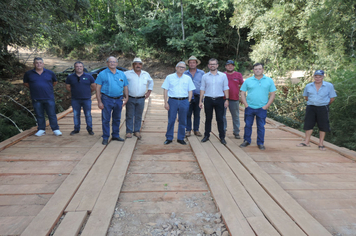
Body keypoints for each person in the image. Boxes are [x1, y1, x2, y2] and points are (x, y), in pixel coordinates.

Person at [296, 70, 337, 151]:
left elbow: (332, 98)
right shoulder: (308, 86)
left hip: (323, 108)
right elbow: (306, 97)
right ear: (314, 77)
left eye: (320, 77)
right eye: (316, 76)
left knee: (323, 125)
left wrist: (324, 104)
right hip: (311, 107)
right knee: (308, 124)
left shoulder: (329, 86)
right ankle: (306, 142)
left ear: (323, 77)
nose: (318, 78)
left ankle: (321, 144)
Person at [239, 63, 276, 150]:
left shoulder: (269, 80)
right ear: (253, 70)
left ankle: (260, 142)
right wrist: (246, 105)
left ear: (263, 70)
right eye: (256, 69)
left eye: (259, 69)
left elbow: (272, 94)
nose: (257, 70)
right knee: (248, 125)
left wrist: (266, 106)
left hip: (262, 108)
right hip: (250, 107)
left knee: (261, 126)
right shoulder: (248, 81)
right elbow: (242, 93)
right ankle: (246, 140)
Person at [23, 57, 62, 137]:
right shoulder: (28, 73)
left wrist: (46, 87)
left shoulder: (50, 73)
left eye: (40, 62)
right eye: (37, 63)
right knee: (39, 114)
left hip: (49, 97)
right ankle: (41, 129)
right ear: (34, 64)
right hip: (36, 98)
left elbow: (54, 82)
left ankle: (55, 129)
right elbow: (26, 83)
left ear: (43, 64)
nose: (38, 64)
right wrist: (35, 87)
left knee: (52, 114)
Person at [95, 56, 129, 145]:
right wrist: (99, 101)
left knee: (117, 118)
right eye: (110, 62)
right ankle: (105, 137)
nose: (112, 63)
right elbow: (98, 88)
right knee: (106, 119)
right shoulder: (102, 74)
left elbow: (125, 86)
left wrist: (126, 98)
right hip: (106, 99)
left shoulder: (121, 74)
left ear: (117, 63)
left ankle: (115, 135)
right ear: (107, 63)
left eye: (114, 62)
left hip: (119, 99)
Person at [162, 61, 195, 145]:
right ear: (176, 68)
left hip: (184, 101)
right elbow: (165, 90)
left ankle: (181, 138)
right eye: (179, 67)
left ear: (185, 69)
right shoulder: (169, 77)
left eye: (183, 67)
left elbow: (190, 90)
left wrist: (189, 101)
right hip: (172, 100)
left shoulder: (187, 78)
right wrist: (165, 102)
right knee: (171, 120)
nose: (181, 68)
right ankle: (169, 137)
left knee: (183, 120)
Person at [199, 58, 229, 145]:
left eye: (214, 64)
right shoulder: (205, 76)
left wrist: (227, 99)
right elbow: (202, 88)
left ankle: (222, 137)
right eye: (211, 64)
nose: (212, 65)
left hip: (220, 99)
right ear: (208, 66)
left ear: (217, 65)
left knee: (220, 119)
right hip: (208, 99)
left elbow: (226, 88)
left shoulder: (223, 76)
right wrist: (200, 101)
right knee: (208, 118)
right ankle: (206, 135)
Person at [124, 57, 154, 139]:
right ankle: (129, 132)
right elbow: (121, 83)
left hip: (141, 98)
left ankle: (137, 131)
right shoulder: (127, 73)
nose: (138, 65)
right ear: (133, 65)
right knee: (129, 115)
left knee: (139, 115)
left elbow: (151, 82)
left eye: (140, 64)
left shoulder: (146, 74)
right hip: (130, 97)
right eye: (136, 64)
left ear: (142, 66)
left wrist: (149, 91)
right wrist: (123, 94)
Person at [65, 61, 96, 135]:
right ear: (74, 68)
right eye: (77, 66)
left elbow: (94, 86)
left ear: (83, 67)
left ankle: (89, 129)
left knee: (88, 114)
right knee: (76, 114)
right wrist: (74, 92)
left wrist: (88, 92)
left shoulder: (89, 76)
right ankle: (76, 129)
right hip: (75, 99)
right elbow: (67, 87)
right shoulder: (70, 77)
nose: (79, 68)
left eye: (80, 66)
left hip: (87, 99)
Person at [184, 56, 205, 137]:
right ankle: (188, 130)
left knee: (197, 114)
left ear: (196, 64)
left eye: (194, 62)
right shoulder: (185, 73)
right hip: (187, 97)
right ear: (188, 64)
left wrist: (203, 97)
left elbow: (204, 85)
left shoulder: (202, 73)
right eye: (190, 62)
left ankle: (196, 130)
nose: (192, 64)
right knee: (188, 114)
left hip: (198, 96)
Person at [223, 60, 244, 139]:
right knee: (222, 116)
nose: (230, 67)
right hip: (223, 98)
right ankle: (223, 130)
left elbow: (242, 86)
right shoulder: (222, 75)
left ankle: (236, 132)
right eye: (228, 65)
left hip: (234, 98)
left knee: (235, 116)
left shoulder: (238, 75)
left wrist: (242, 96)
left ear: (234, 66)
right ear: (225, 66)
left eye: (232, 65)